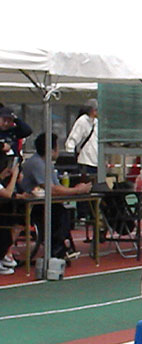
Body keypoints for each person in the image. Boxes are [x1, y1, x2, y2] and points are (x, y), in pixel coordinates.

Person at [17, 132, 92, 260]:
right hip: (29, 206)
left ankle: (60, 247)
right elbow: (53, 189)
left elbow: (57, 187)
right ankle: (57, 248)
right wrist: (77, 191)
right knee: (58, 214)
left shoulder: (48, 164)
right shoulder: (36, 163)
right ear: (51, 149)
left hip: (42, 203)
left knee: (61, 212)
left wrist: (75, 189)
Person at [65, 99, 98, 177]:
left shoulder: (96, 122)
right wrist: (70, 157)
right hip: (85, 161)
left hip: (96, 162)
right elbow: (73, 139)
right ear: (93, 110)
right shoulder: (82, 121)